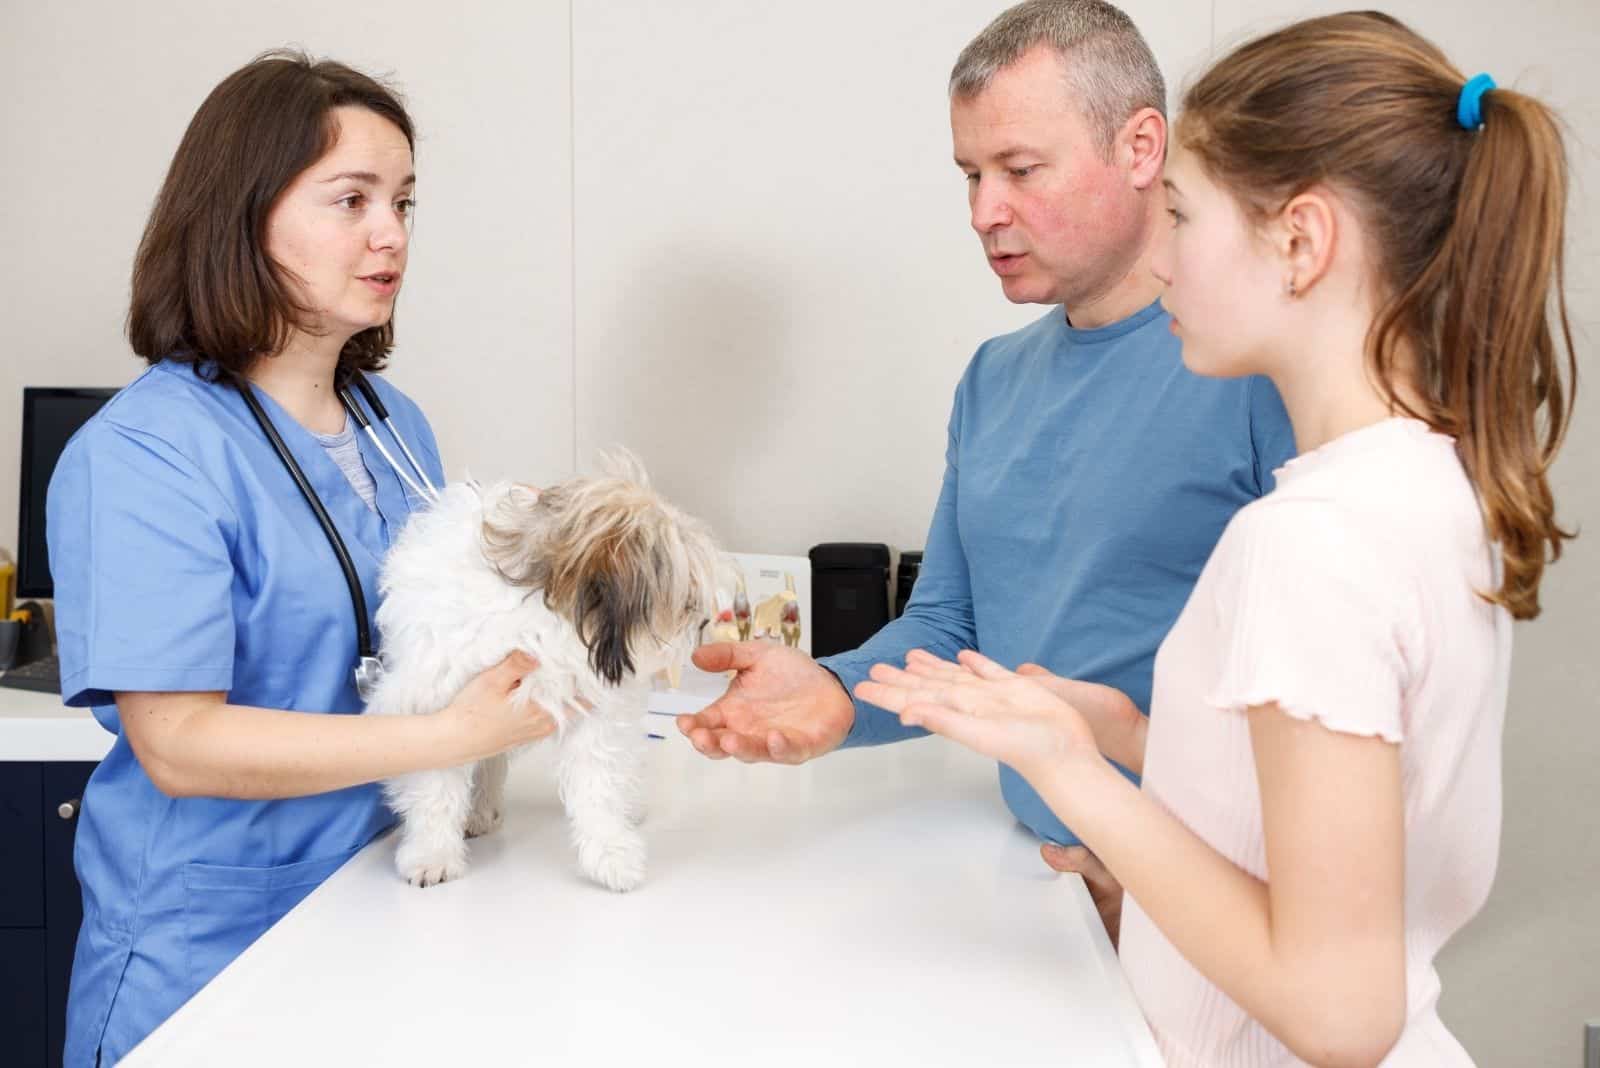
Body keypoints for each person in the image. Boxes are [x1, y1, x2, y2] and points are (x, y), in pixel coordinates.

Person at [858, 11, 1576, 1065]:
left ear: (1300, 242)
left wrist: (1074, 774)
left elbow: (1341, 1012)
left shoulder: (1307, 544)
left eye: (1183, 219)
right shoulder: (1421, 481)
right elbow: (1347, 801)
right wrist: (1130, 734)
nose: (1167, 260)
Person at [678, 0, 1293, 863]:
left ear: (1141, 148)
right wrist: (835, 692)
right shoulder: (993, 382)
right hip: (1049, 884)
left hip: (1210, 899)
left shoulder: (1263, 371)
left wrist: (1171, 891)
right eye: (972, 174)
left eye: (1021, 169)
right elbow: (950, 625)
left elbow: (1324, 707)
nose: (983, 211)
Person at [47, 53, 556, 1064]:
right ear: (243, 216)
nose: (391, 234)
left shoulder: (394, 425)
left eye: (404, 201)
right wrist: (453, 736)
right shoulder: (144, 454)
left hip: (376, 915)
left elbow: (415, 640)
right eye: (351, 199)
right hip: (211, 951)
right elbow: (180, 745)